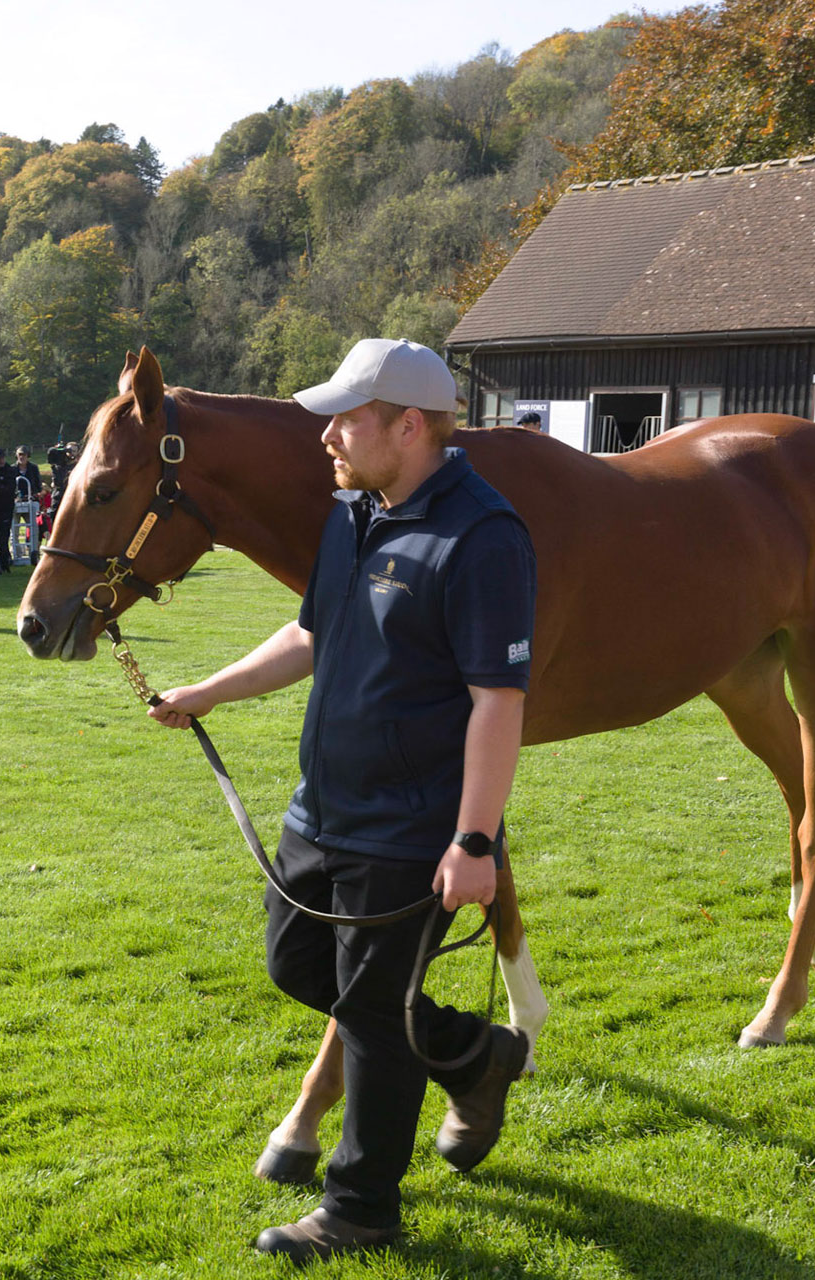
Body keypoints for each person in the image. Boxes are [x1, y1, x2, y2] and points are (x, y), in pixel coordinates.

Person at [148, 339, 536, 1265]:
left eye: (346, 418)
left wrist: (474, 840)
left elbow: (499, 702)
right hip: (321, 810)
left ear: (408, 425)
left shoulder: (483, 538)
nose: (327, 435)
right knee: (298, 967)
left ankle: (361, 1207)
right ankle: (477, 1056)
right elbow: (310, 632)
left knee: (371, 1014)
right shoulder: (353, 512)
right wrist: (208, 690)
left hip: (409, 828)